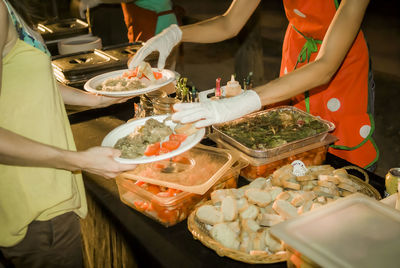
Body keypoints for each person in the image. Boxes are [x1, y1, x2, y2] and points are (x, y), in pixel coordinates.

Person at [129, 0, 378, 170]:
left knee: (344, 154)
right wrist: (175, 34)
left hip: (341, 66)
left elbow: (325, 68)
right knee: (292, 141)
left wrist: (246, 101)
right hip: (299, 52)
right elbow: (229, 23)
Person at [0, 0, 137, 267]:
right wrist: (81, 161)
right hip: (36, 202)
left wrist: (98, 99)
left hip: (48, 190)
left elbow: (31, 82)